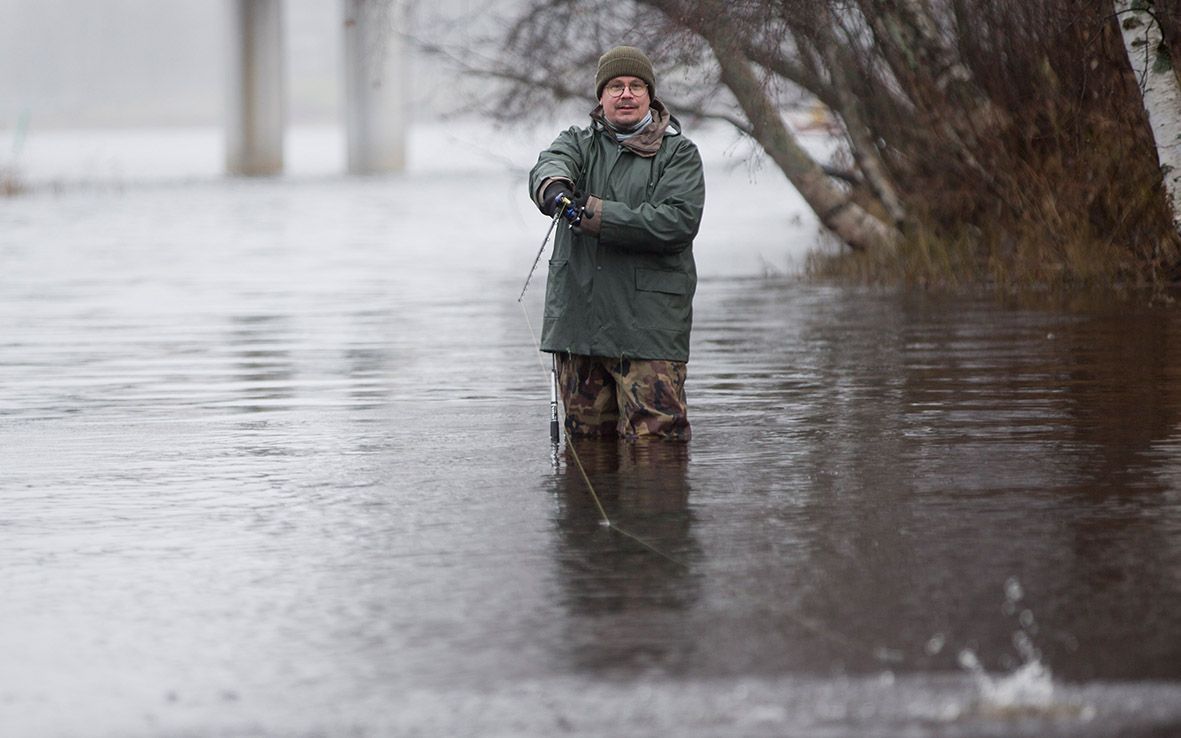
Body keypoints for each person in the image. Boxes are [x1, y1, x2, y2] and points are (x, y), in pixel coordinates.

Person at [528, 45, 706, 442]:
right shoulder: (577, 142)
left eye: (635, 86)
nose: (626, 94)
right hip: (580, 331)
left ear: (650, 96)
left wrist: (593, 214)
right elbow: (549, 164)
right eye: (615, 87)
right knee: (585, 459)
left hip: (650, 333)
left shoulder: (679, 154)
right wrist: (555, 190)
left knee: (658, 452)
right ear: (601, 97)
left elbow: (676, 221)